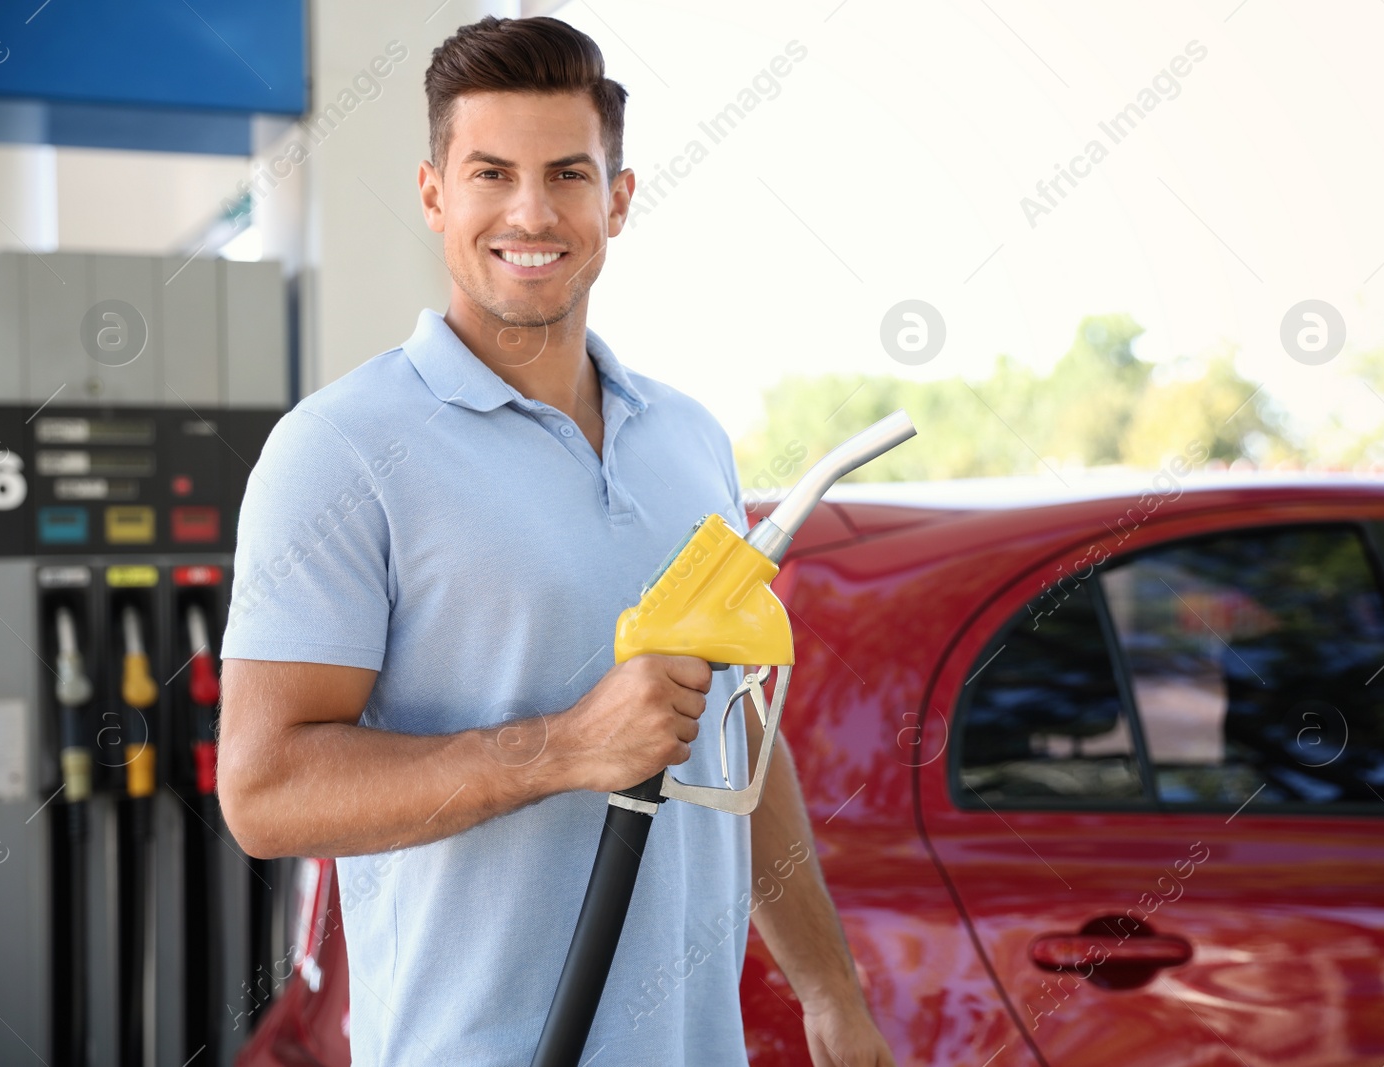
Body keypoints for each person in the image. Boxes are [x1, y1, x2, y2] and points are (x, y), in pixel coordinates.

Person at [217, 14, 895, 1067]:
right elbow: (264, 792)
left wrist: (829, 992)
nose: (530, 211)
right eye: (491, 172)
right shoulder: (338, 452)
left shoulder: (688, 439)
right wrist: (565, 747)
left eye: (568, 174)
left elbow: (730, 735)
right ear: (434, 190)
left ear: (617, 200)